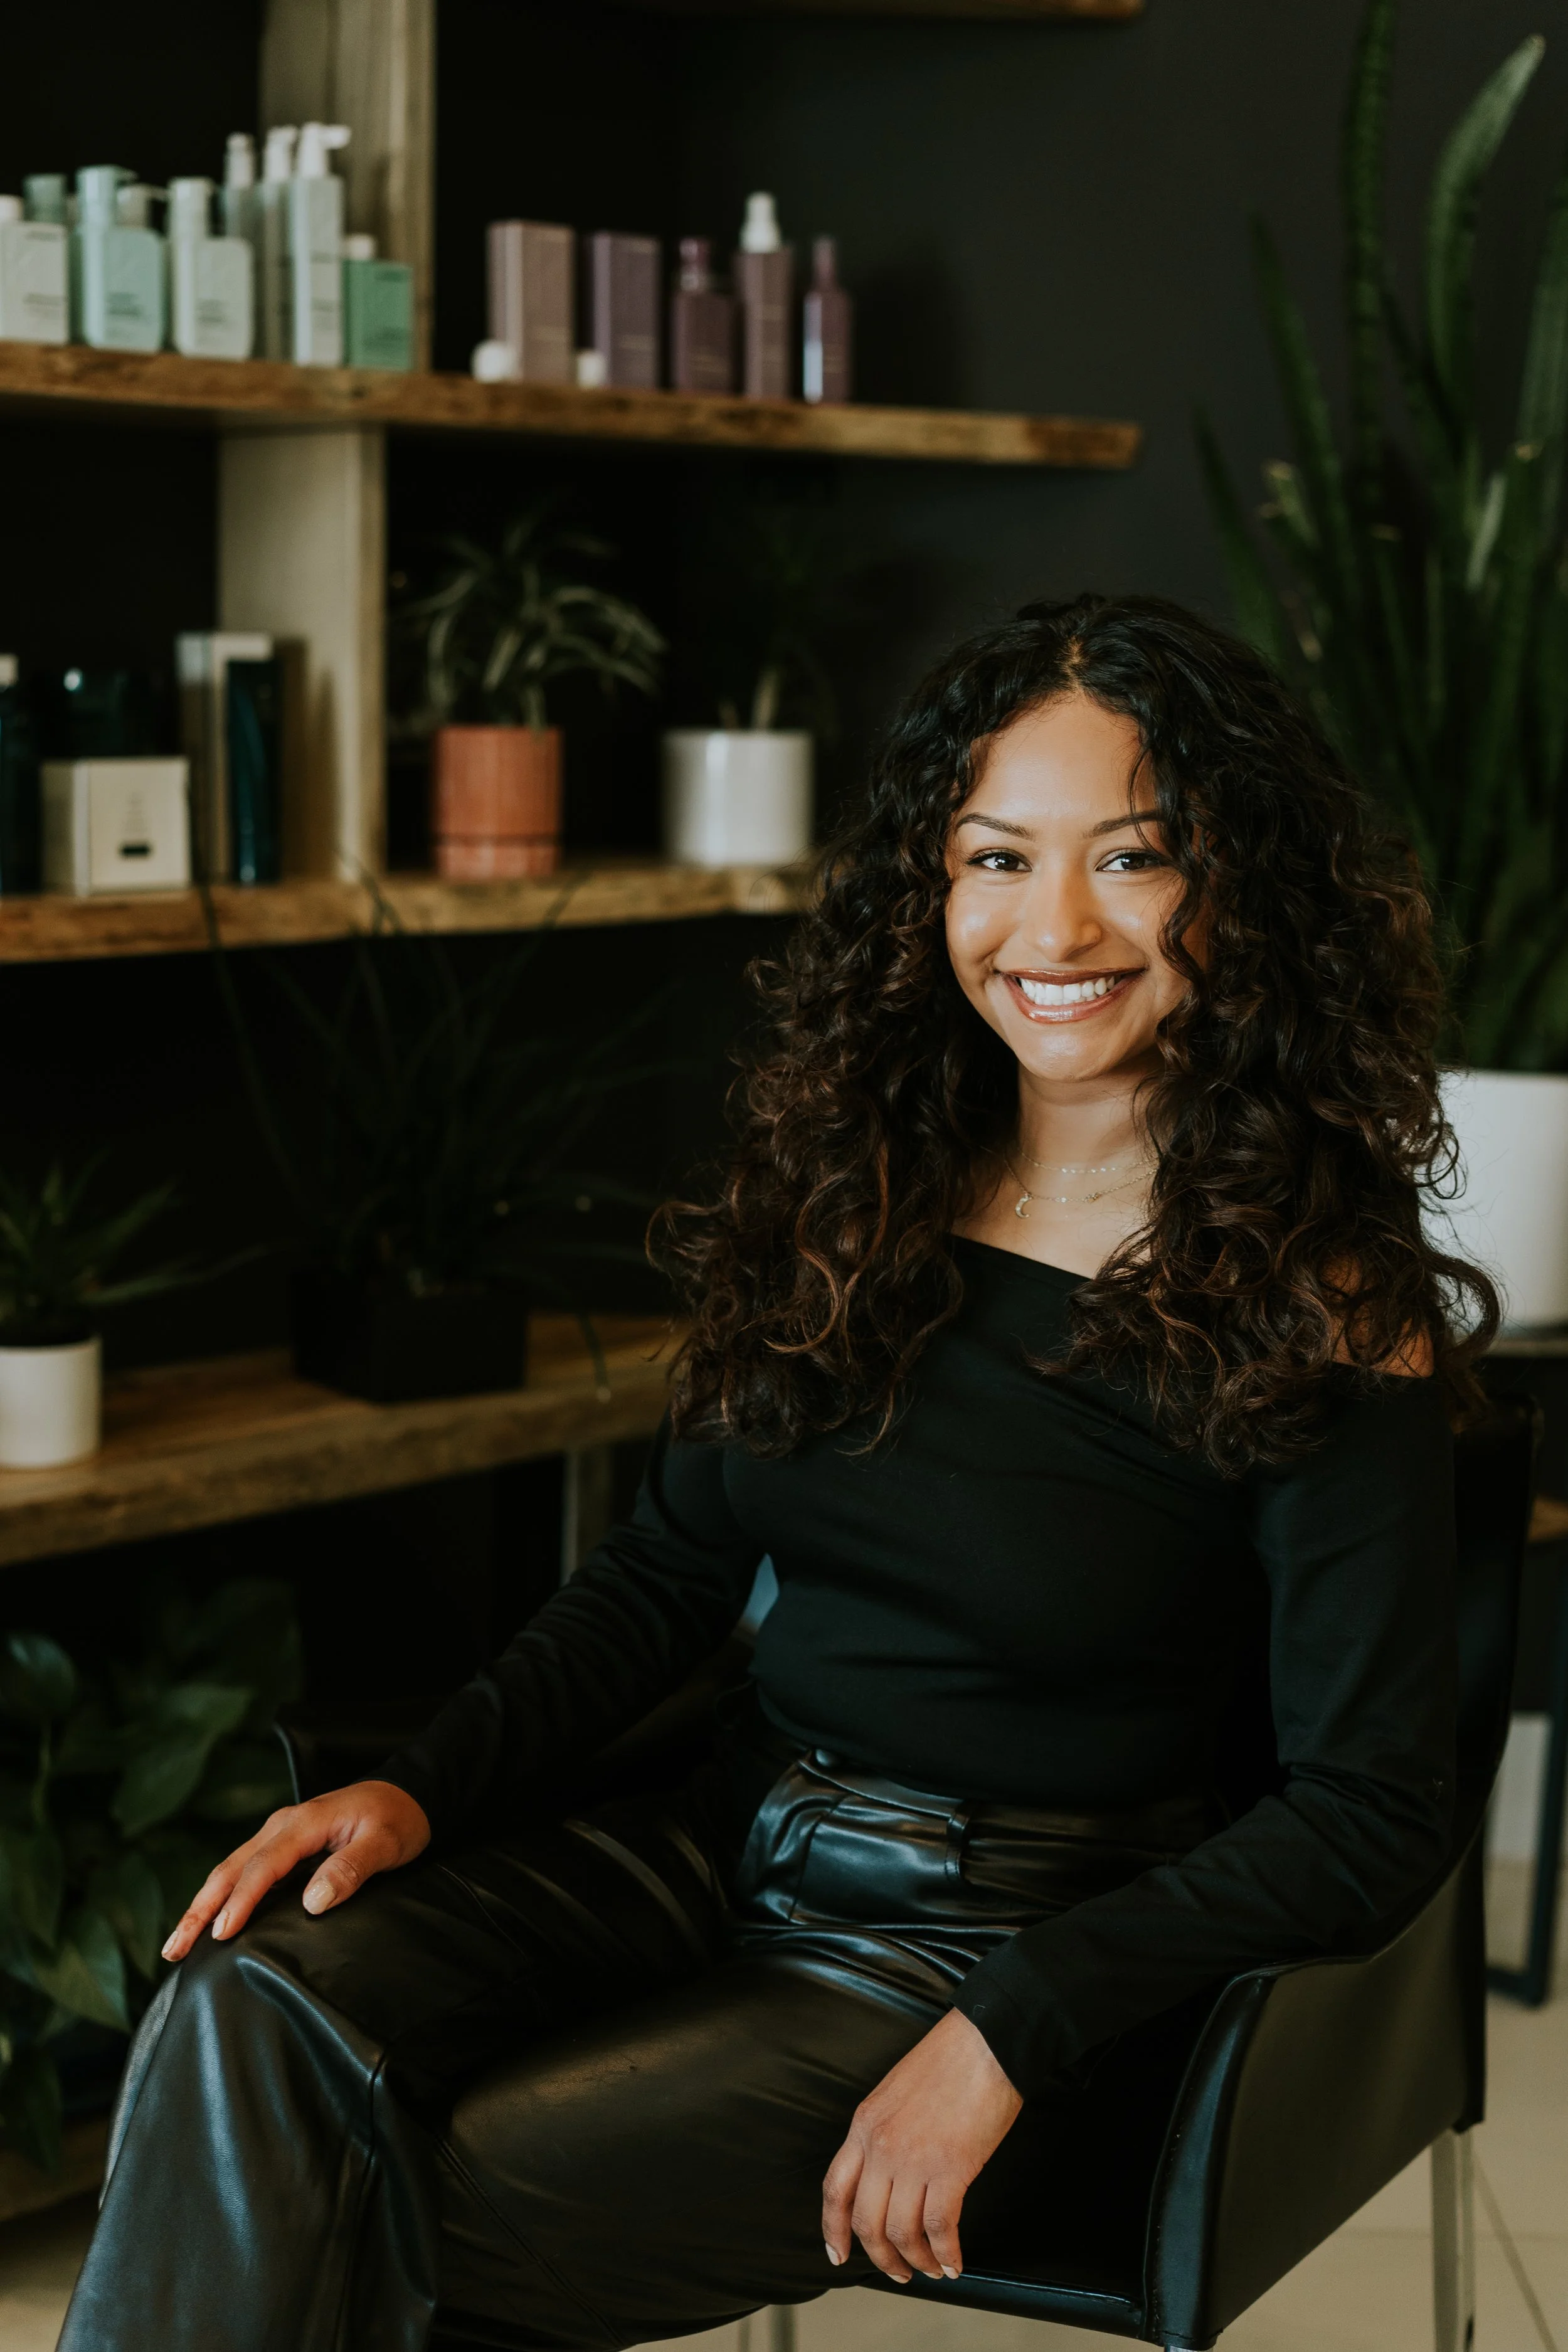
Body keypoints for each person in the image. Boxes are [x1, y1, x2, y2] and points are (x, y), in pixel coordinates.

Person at [60, 595, 1495, 2352]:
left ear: (1241, 890)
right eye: (992, 858)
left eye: (1133, 856)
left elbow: (1369, 1808)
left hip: (988, 1937)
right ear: (928, 893)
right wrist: (421, 1790)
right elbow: (665, 1572)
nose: (1054, 924)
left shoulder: (1321, 1298)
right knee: (249, 2006)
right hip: (713, 1834)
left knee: (423, 2188)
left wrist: (1007, 2027)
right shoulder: (862, 1191)